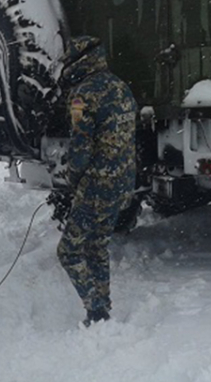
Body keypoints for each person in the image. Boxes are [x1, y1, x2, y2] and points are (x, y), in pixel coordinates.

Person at [55, 36, 137, 327]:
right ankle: (103, 305)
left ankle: (95, 308)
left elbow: (80, 148)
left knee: (68, 251)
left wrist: (72, 179)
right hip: (123, 183)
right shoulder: (120, 87)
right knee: (97, 246)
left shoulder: (82, 95)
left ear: (78, 62)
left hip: (97, 185)